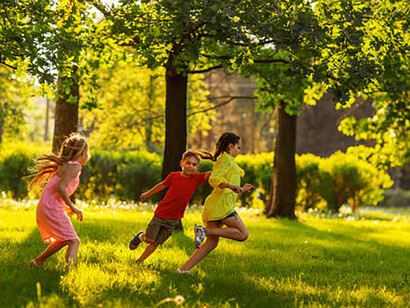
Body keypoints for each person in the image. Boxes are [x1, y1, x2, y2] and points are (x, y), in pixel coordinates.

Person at [176, 132, 255, 274]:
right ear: (230, 146)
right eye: (238, 147)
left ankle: (182, 270)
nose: (239, 150)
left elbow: (230, 187)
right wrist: (231, 187)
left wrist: (242, 189)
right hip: (222, 206)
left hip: (218, 205)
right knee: (243, 234)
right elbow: (214, 179)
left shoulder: (228, 161)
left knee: (211, 243)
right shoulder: (225, 160)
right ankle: (204, 231)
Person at [129, 150, 211, 263]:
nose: (190, 166)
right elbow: (161, 185)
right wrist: (147, 194)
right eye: (188, 163)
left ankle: (140, 260)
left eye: (194, 164)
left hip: (174, 219)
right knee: (149, 239)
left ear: (197, 167)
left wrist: (224, 163)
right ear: (181, 163)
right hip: (161, 214)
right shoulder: (174, 176)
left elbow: (211, 173)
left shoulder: (197, 179)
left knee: (156, 242)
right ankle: (140, 237)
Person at [28, 133, 89, 271]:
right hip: (50, 207)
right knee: (74, 241)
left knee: (64, 239)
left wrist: (66, 207)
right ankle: (70, 271)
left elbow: (55, 193)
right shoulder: (74, 166)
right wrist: (73, 207)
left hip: (47, 206)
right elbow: (60, 187)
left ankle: (38, 262)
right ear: (83, 152)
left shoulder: (68, 165)